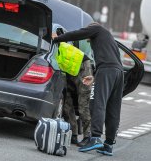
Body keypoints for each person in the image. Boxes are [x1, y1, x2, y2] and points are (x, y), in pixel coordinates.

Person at [52, 22, 124, 156]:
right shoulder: (109, 39)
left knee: (97, 103)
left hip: (106, 70)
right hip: (118, 73)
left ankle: (95, 137)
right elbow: (112, 61)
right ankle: (108, 145)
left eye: (88, 38)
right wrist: (95, 77)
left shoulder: (96, 28)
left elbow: (77, 33)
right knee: (113, 109)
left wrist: (57, 38)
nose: (88, 40)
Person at [52, 24, 94, 147]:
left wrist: (55, 37)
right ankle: (74, 135)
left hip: (82, 69)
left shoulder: (61, 41)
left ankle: (88, 137)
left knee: (83, 105)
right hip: (68, 71)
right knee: (67, 105)